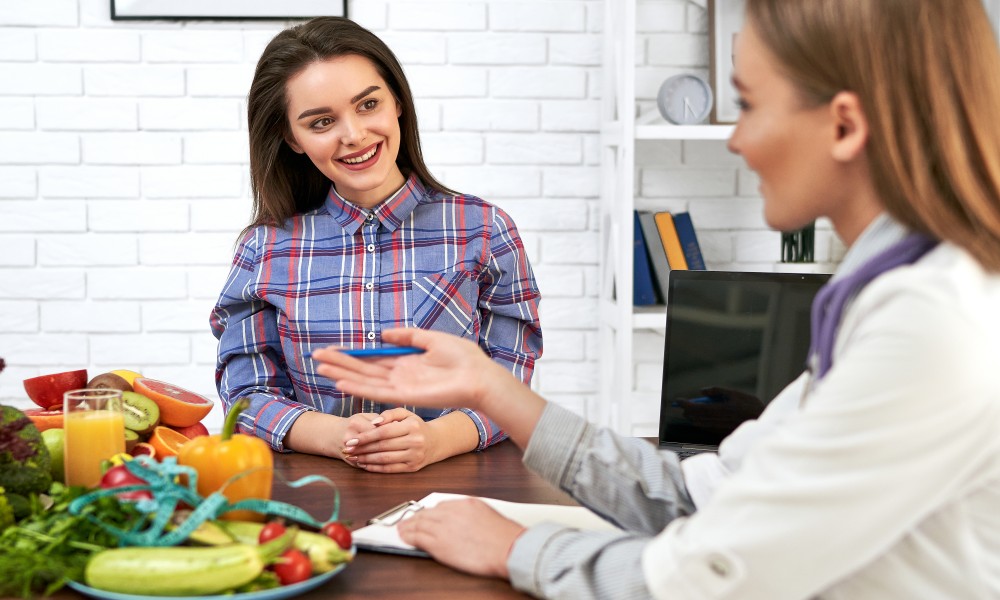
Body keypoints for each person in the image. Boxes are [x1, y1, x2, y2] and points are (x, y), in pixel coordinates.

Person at [312, 0, 1000, 596]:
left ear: (844, 126)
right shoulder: (901, 297)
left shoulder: (931, 322)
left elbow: (712, 577)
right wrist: (494, 390)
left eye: (749, 105)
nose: (737, 140)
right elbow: (701, 496)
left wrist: (515, 548)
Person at [210, 17, 542, 473]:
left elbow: (510, 369)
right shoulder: (264, 248)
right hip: (317, 490)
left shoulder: (484, 229)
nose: (354, 135)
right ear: (293, 138)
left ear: (397, 102)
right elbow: (246, 392)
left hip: (455, 485)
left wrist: (436, 440)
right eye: (322, 122)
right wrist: (336, 436)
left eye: (368, 104)